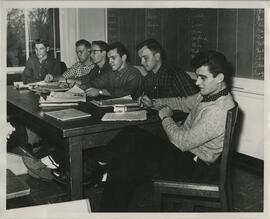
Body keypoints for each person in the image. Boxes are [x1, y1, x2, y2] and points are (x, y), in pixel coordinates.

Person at [83, 50, 235, 211]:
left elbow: (181, 142)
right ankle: (96, 180)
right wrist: (154, 103)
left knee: (129, 149)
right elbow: (182, 102)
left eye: (203, 78)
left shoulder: (218, 110)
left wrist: (166, 117)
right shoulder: (210, 95)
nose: (197, 82)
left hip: (195, 166)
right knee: (128, 147)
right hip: (186, 155)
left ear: (219, 78)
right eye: (197, 76)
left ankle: (90, 172)